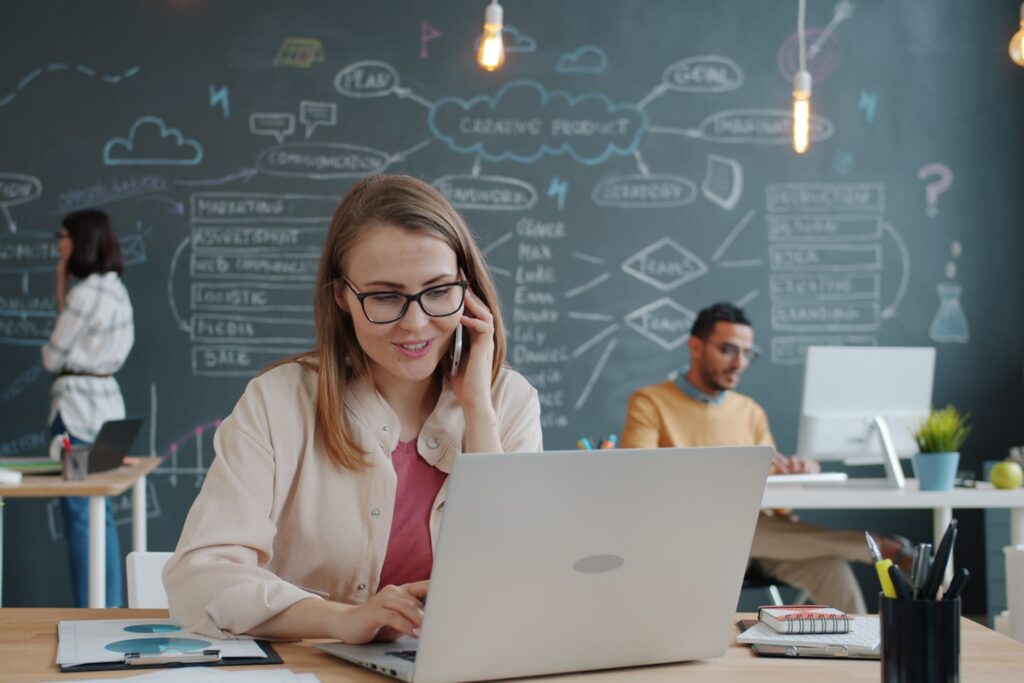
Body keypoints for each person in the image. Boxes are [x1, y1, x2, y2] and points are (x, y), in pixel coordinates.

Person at [164, 175, 542, 642]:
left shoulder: (509, 400)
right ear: (342, 295)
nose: (417, 322)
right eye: (385, 296)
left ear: (469, 287)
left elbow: (516, 580)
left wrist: (478, 409)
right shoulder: (277, 401)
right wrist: (342, 619)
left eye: (440, 290)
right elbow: (198, 579)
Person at [619, 302, 911, 614]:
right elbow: (640, 475)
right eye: (729, 350)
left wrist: (795, 475)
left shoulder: (750, 411)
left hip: (760, 537)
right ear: (695, 346)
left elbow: (779, 504)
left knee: (832, 568)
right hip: (690, 536)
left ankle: (862, 655)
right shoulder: (650, 401)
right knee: (737, 525)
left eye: (747, 353)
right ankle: (875, 546)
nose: (739, 363)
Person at [41, 209, 134, 607]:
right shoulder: (115, 290)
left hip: (75, 411)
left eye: (63, 236)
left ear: (81, 241)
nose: (59, 242)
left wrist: (64, 281)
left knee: (79, 514)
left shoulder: (84, 295)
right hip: (109, 409)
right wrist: (63, 277)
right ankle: (106, 606)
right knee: (101, 512)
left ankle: (88, 612)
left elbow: (51, 356)